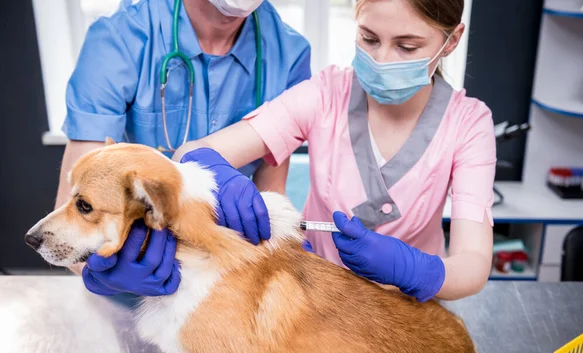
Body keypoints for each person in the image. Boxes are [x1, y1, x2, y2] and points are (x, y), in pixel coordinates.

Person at [84, 0, 496, 303]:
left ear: (452, 39)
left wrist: (419, 271)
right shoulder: (326, 93)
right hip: (315, 301)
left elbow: (473, 261)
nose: (383, 59)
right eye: (369, 39)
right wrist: (211, 166)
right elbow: (196, 150)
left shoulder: (469, 124)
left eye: (407, 47)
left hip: (411, 315)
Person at [55, 0, 311, 279]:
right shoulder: (120, 39)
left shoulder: (289, 54)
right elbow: (78, 209)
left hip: (220, 268)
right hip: (128, 254)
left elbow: (270, 194)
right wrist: (103, 274)